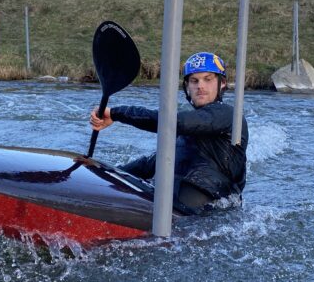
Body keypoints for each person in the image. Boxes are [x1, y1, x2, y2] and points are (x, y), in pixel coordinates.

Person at [89, 51, 248, 215]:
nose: (200, 86)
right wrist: (106, 173)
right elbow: (151, 163)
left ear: (222, 83)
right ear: (187, 87)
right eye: (194, 81)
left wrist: (116, 113)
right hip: (171, 206)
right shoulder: (189, 126)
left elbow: (172, 122)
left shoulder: (229, 115)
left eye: (208, 79)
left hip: (204, 217)